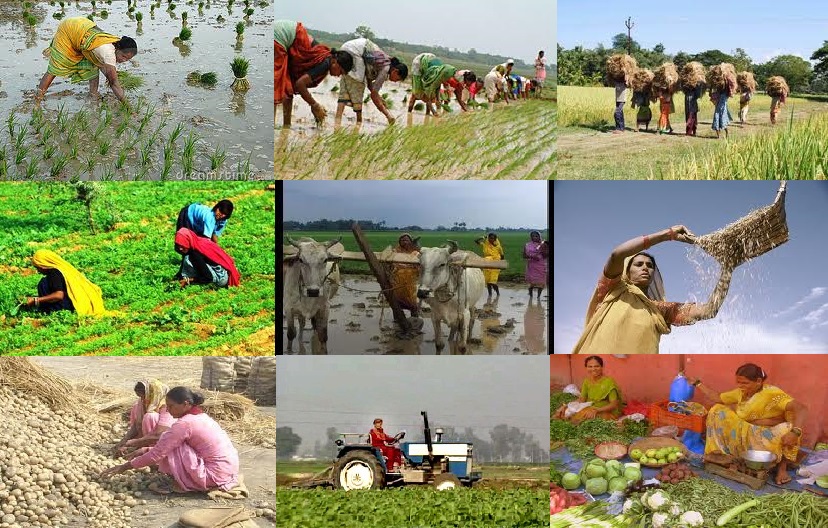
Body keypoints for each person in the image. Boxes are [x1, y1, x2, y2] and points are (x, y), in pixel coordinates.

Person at [571, 226, 733, 355]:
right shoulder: (613, 288)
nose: (645, 268)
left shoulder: (659, 309)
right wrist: (667, 235)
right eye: (639, 264)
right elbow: (616, 255)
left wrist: (728, 268)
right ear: (627, 270)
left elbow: (709, 310)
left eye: (650, 266)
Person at [102, 387, 241, 494]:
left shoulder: (184, 424)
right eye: (166, 406)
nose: (167, 410)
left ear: (186, 404)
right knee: (170, 440)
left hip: (213, 475)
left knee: (169, 441)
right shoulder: (200, 416)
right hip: (227, 469)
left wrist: (124, 467)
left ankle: (186, 483)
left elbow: (158, 453)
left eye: (171, 406)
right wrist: (145, 449)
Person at [695, 364, 807, 485]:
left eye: (745, 383)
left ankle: (782, 469)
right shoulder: (740, 393)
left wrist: (795, 432)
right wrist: (697, 384)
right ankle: (724, 454)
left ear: (758, 381)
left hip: (767, 434)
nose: (740, 386)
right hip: (747, 430)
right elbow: (717, 397)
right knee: (717, 410)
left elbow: (801, 408)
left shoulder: (772, 393)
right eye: (738, 382)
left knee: (788, 429)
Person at [36, 17, 137, 106]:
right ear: (118, 48)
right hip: (69, 29)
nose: (124, 60)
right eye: (123, 56)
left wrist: (112, 74)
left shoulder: (115, 42)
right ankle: (38, 98)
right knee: (57, 65)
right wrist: (127, 106)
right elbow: (113, 83)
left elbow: (102, 65)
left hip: (84, 26)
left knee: (93, 64)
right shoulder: (108, 52)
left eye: (127, 59)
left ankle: (93, 95)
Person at [274, 19, 354, 127]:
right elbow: (300, 84)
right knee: (275, 87)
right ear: (335, 62)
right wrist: (314, 105)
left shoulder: (324, 56)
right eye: (340, 71)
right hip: (279, 37)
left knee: (288, 89)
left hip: (283, 33)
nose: (338, 75)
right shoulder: (325, 63)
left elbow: (291, 89)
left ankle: (286, 126)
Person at [335, 37, 408, 125]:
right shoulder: (385, 70)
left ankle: (337, 122)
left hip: (347, 48)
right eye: (398, 79)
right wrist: (388, 115)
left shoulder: (384, 62)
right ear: (395, 71)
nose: (396, 82)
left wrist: (379, 98)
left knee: (346, 87)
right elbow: (373, 95)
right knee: (359, 85)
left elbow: (370, 84)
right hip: (354, 51)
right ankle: (359, 123)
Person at [23, 249, 106, 315]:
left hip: (67, 306)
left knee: (43, 283)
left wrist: (36, 300)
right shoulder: (63, 269)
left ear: (43, 265)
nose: (38, 271)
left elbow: (59, 295)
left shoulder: (54, 273)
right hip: (75, 302)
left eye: (38, 267)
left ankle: (50, 310)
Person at [553, 356, 623, 425]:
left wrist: (597, 410)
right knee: (562, 412)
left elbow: (614, 404)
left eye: (596, 366)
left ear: (602, 367)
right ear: (586, 367)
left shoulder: (609, 382)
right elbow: (582, 400)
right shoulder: (587, 381)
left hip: (606, 411)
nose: (593, 369)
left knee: (580, 418)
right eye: (590, 366)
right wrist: (566, 406)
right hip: (591, 408)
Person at [114, 380, 175, 457]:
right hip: (148, 437)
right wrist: (124, 441)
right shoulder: (143, 402)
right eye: (141, 397)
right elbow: (136, 425)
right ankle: (143, 446)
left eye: (144, 396)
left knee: (149, 416)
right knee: (136, 407)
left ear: (152, 394)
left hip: (164, 440)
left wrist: (133, 443)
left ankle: (151, 448)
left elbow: (159, 434)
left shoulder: (167, 406)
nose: (142, 399)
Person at [174, 228, 241, 288]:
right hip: (224, 272)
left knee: (187, 259)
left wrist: (188, 281)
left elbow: (208, 278)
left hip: (220, 278)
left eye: (183, 245)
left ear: (188, 241)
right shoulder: (199, 242)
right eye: (178, 245)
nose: (180, 248)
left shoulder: (194, 254)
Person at [390, 234, 421, 317]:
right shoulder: (395, 251)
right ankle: (398, 318)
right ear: (399, 242)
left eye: (407, 240)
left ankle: (414, 318)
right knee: (396, 300)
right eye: (402, 240)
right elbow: (393, 263)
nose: (405, 242)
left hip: (410, 282)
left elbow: (419, 265)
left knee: (412, 301)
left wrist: (414, 267)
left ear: (410, 242)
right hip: (398, 280)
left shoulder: (415, 252)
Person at [475, 233, 505, 298]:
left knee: (493, 282)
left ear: (495, 239)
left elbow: (502, 255)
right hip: (487, 264)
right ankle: (490, 295)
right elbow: (476, 241)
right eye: (490, 238)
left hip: (495, 265)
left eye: (492, 238)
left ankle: (497, 293)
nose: (491, 239)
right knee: (488, 282)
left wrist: (501, 264)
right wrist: (483, 237)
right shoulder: (485, 244)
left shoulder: (498, 246)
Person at [523, 231, 547, 300]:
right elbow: (524, 256)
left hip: (541, 265)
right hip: (532, 265)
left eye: (536, 236)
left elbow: (546, 255)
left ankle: (538, 296)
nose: (534, 237)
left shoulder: (543, 244)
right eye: (533, 236)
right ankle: (531, 294)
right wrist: (531, 256)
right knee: (532, 283)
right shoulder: (527, 245)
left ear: (539, 236)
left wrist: (543, 250)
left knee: (541, 283)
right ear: (531, 237)